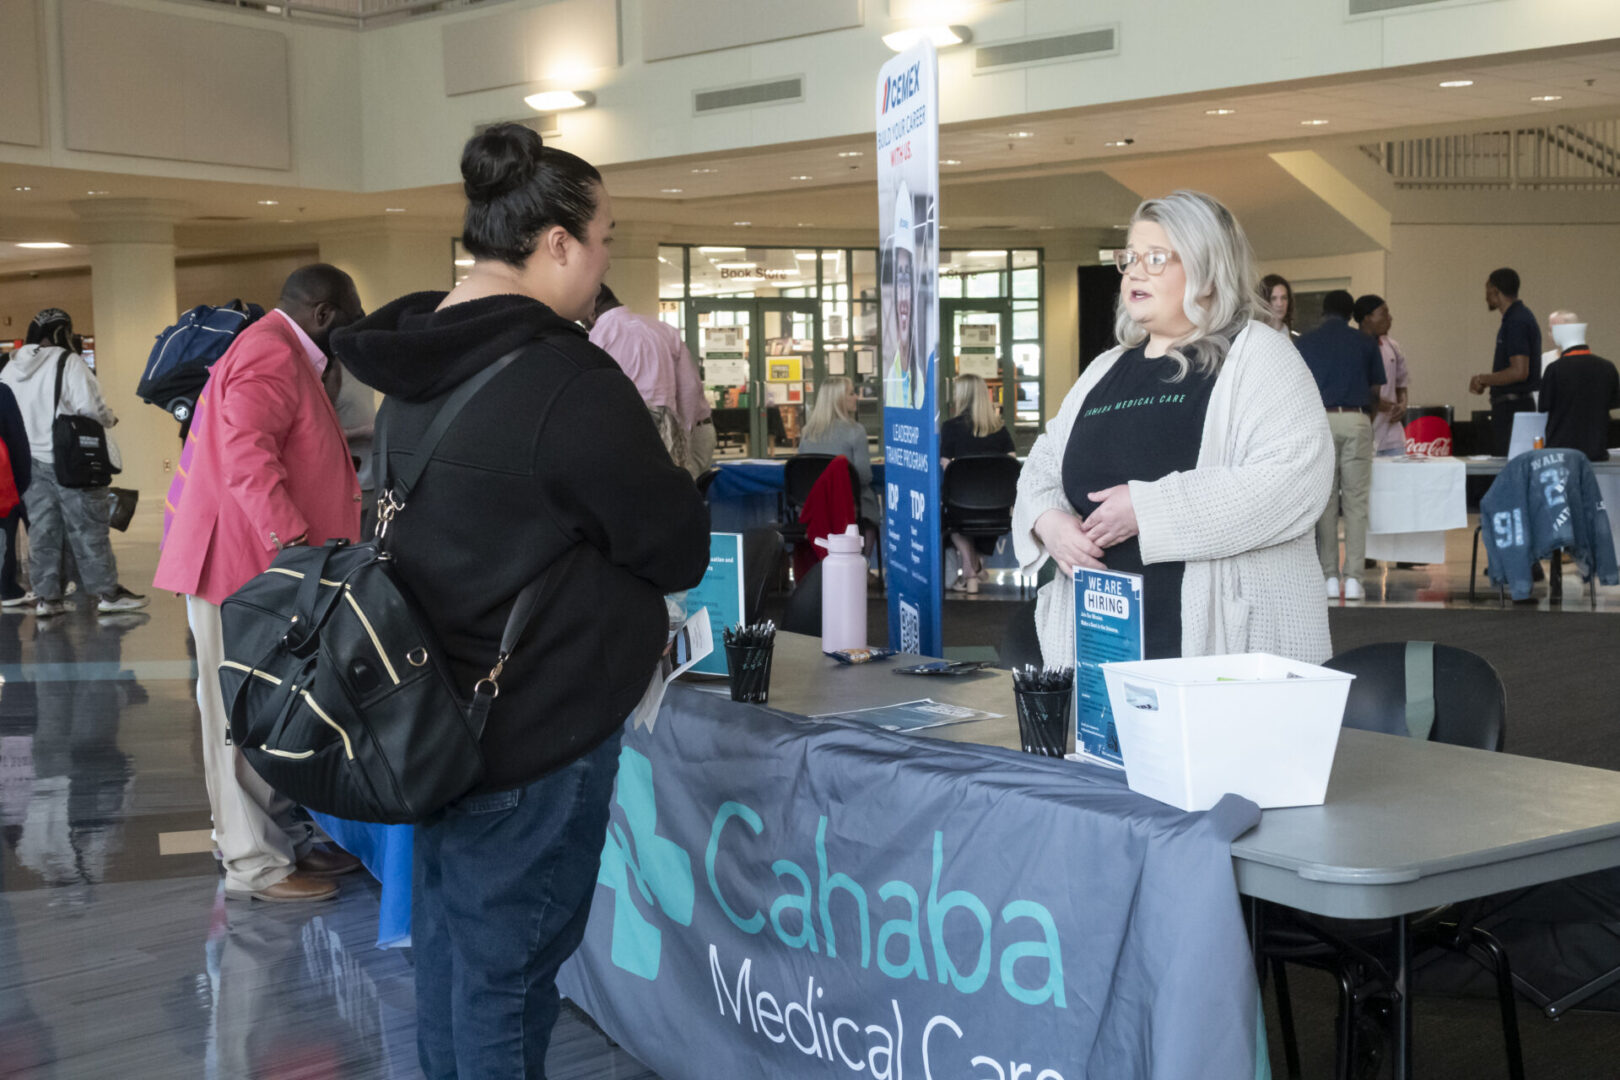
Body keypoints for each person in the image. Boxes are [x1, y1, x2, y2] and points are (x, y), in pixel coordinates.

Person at [331, 124, 709, 1078]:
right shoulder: (565, 380)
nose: (607, 260)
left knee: (454, 958)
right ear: (557, 243)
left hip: (431, 717)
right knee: (509, 980)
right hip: (536, 726)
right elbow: (674, 544)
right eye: (606, 239)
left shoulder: (412, 371)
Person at [1012, 190, 1331, 667]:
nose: (1135, 272)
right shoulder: (1105, 369)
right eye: (1130, 258)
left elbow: (1295, 480)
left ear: (1208, 270)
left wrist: (1147, 510)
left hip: (1222, 654)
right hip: (1103, 647)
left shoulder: (1260, 355)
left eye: (1156, 258)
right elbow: (1041, 466)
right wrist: (1049, 522)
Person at [152, 264, 367, 904]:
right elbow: (246, 453)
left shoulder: (276, 349)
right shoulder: (271, 352)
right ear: (324, 314)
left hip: (252, 567)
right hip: (242, 568)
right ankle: (255, 863)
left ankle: (283, 840)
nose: (353, 333)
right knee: (238, 718)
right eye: (351, 318)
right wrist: (292, 545)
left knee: (271, 711)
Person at [0, 309, 145, 617]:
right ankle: (108, 594)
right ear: (62, 333)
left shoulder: (9, 367)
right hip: (70, 461)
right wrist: (109, 418)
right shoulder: (67, 361)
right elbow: (90, 407)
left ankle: (47, 598)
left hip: (28, 463)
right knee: (88, 528)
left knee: (42, 532)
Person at [1297, 290, 1385, 600]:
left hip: (1320, 421)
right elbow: (1376, 391)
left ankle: (1329, 578)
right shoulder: (1365, 342)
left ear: (1324, 311)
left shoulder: (1305, 343)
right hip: (1356, 418)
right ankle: (1355, 579)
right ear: (1351, 314)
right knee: (1356, 503)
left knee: (1326, 504)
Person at [584, 284, 714, 477]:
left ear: (591, 312)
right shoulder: (664, 329)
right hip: (694, 430)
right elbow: (690, 387)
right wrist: (683, 436)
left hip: (642, 432)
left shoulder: (598, 338)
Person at [941, 373, 1015, 593]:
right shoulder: (1000, 428)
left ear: (962, 396)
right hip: (997, 509)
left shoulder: (950, 427)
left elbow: (946, 466)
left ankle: (970, 567)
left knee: (949, 515)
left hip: (960, 508)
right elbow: (1011, 465)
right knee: (984, 502)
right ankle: (975, 566)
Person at [1470, 268, 1542, 456]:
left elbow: (1519, 371)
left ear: (1495, 290)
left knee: (1510, 464)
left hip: (1513, 410)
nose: (1486, 296)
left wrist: (1483, 379)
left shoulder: (1516, 321)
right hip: (1515, 408)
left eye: (1487, 290)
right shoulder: (1518, 317)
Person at [798, 375, 881, 529]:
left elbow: (802, 474)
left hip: (814, 509)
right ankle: (864, 546)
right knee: (868, 499)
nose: (856, 397)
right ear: (838, 399)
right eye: (851, 393)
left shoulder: (807, 432)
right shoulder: (856, 431)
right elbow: (864, 477)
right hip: (848, 508)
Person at [1539, 313, 1620, 462]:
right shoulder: (1608, 368)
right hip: (1596, 449)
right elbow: (1612, 404)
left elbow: (1543, 405)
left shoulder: (1554, 369)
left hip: (1560, 451)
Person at [1353, 294, 1409, 457]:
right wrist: (1375, 402)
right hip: (1363, 432)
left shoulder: (1392, 346)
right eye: (1384, 313)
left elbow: (1402, 384)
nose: (1389, 318)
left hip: (1392, 435)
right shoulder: (1352, 347)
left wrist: (1403, 404)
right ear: (1367, 318)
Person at [0, 383, 30, 608]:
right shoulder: (2, 392)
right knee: (6, 530)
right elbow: (16, 436)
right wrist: (22, 481)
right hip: (4, 482)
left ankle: (8, 587)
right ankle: (7, 588)